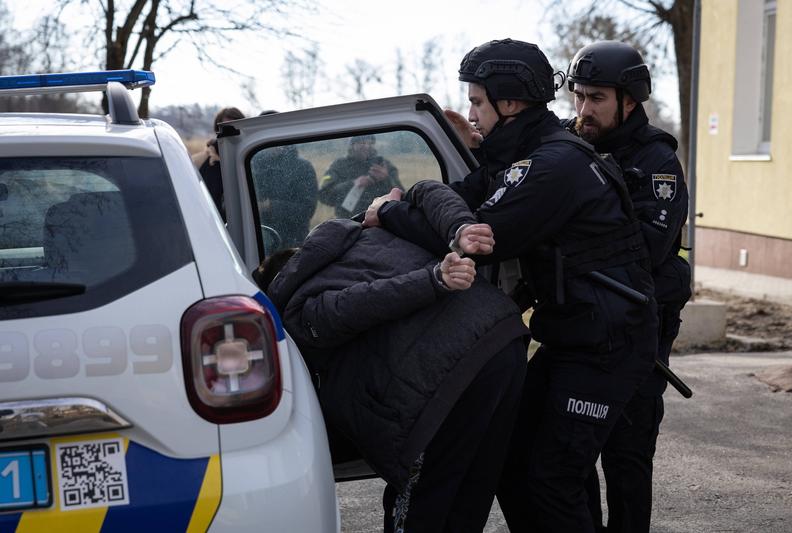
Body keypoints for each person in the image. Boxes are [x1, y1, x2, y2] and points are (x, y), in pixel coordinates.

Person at [366, 38, 659, 532]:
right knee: (516, 461)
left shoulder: (552, 165)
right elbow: (461, 200)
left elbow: (479, 240)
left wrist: (390, 212)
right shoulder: (522, 153)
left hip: (609, 343)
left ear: (510, 102)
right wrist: (393, 207)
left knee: (553, 477)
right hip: (575, 336)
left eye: (477, 101)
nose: (471, 113)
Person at [259, 181, 529, 533]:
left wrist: (434, 280)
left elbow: (353, 306)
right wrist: (460, 227)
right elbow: (427, 189)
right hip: (502, 338)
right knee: (471, 488)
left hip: (450, 380)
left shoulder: (296, 305)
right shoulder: (366, 231)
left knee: (422, 500)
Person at [563, 40, 692, 533]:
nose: (583, 109)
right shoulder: (575, 145)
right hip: (586, 325)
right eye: (579, 96)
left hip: (642, 325)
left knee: (628, 454)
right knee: (575, 454)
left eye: (596, 98)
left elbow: (643, 252)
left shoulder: (657, 161)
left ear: (629, 101)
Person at [250, 141, 318, 249]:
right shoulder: (250, 164)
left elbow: (307, 210)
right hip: (257, 240)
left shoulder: (303, 168)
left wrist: (269, 206)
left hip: (294, 242)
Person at [318, 134, 403, 218]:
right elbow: (324, 195)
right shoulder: (338, 165)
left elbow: (401, 197)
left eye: (370, 143)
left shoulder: (385, 165)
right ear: (352, 145)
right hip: (347, 222)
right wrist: (353, 184)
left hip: (379, 221)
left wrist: (386, 179)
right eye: (362, 143)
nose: (366, 146)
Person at [191, 106, 245, 219]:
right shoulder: (199, 161)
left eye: (234, 127)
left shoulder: (249, 157)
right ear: (217, 129)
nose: (230, 134)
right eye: (225, 129)